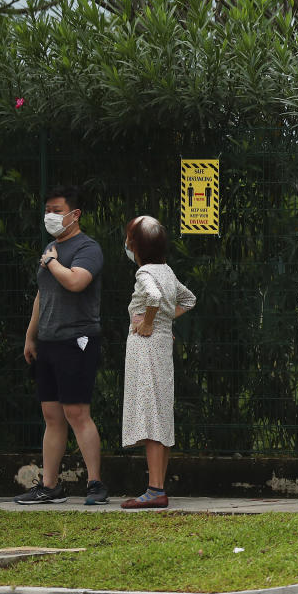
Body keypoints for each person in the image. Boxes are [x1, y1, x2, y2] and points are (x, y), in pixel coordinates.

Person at [17, 185, 109, 505]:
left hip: (78, 340)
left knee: (76, 412)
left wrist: (53, 262)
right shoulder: (49, 249)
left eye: (56, 211)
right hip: (49, 341)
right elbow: (43, 296)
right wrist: (31, 336)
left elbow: (75, 281)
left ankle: (95, 483)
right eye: (47, 211)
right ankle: (50, 486)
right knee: (52, 415)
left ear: (75, 214)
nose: (50, 216)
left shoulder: (88, 248)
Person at [120, 216, 196, 509]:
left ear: (136, 247)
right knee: (161, 413)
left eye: (129, 238)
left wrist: (150, 322)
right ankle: (158, 487)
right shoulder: (167, 270)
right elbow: (189, 300)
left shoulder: (144, 274)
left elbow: (152, 297)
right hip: (163, 347)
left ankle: (154, 490)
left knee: (150, 414)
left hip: (146, 348)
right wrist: (164, 321)